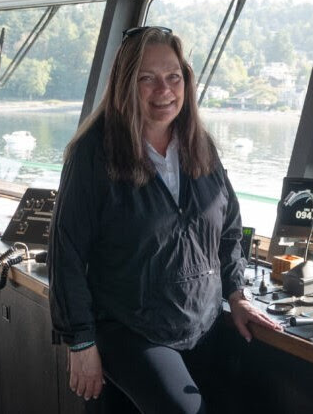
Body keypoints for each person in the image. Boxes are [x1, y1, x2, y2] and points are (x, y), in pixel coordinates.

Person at [48, 26, 281, 414]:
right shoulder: (93, 154)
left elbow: (229, 230)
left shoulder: (200, 146)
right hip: (129, 326)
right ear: (125, 84)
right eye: (147, 78)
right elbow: (66, 252)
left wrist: (236, 294)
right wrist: (81, 341)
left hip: (199, 322)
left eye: (173, 77)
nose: (164, 90)